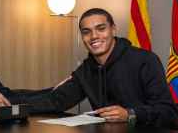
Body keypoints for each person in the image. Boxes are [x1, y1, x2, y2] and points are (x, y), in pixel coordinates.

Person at [24, 8, 178, 127]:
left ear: (113, 29)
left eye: (101, 28)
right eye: (86, 32)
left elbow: (168, 112)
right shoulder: (86, 69)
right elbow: (55, 101)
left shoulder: (145, 60)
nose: (94, 36)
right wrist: (9, 106)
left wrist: (130, 114)